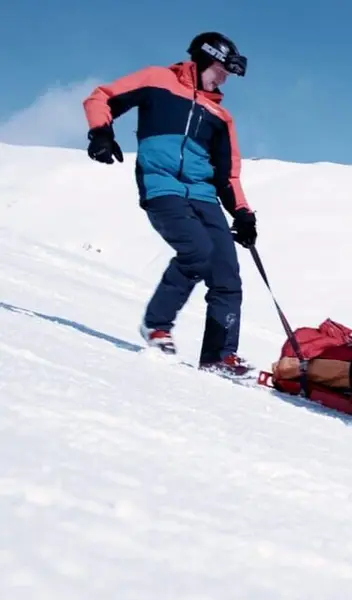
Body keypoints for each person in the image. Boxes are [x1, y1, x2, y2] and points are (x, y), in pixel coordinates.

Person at [82, 32, 258, 378]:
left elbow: (229, 175)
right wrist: (101, 132)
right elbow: (101, 96)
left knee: (227, 276)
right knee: (197, 253)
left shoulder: (220, 115)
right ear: (207, 58)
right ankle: (156, 325)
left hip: (204, 195)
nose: (225, 78)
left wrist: (243, 214)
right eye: (223, 69)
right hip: (162, 187)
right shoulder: (156, 81)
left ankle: (219, 357)